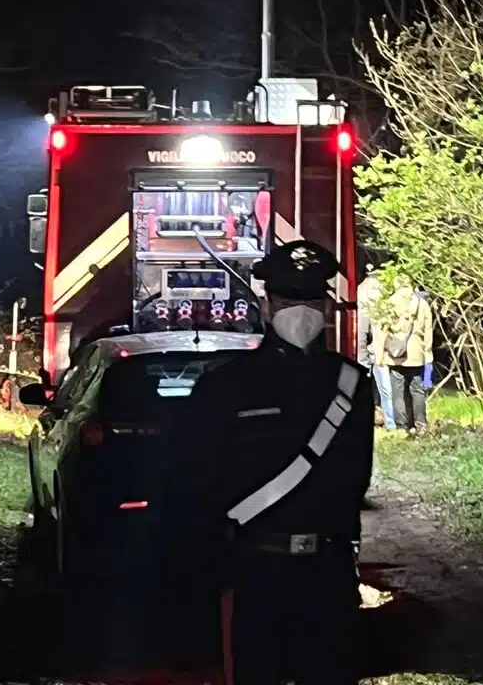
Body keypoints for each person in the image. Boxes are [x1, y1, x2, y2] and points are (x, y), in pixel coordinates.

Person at [166, 240, 374, 685]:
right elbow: (191, 485)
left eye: (311, 299)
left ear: (327, 307)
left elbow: (355, 479)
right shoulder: (224, 388)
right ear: (266, 305)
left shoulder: (353, 383)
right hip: (254, 575)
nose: (301, 311)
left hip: (327, 574)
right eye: (288, 299)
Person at [374, 276, 434, 436]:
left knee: (397, 390)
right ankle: (420, 425)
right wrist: (428, 354)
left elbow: (382, 331)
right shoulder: (422, 304)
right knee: (417, 390)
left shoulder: (388, 303)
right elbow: (428, 330)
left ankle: (402, 427)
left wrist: (379, 355)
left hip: (395, 354)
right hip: (417, 353)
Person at [356, 264, 396, 430]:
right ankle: (390, 422)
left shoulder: (361, 289)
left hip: (366, 348)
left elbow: (362, 329)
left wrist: (361, 353)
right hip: (380, 349)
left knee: (364, 387)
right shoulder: (382, 290)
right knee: (386, 389)